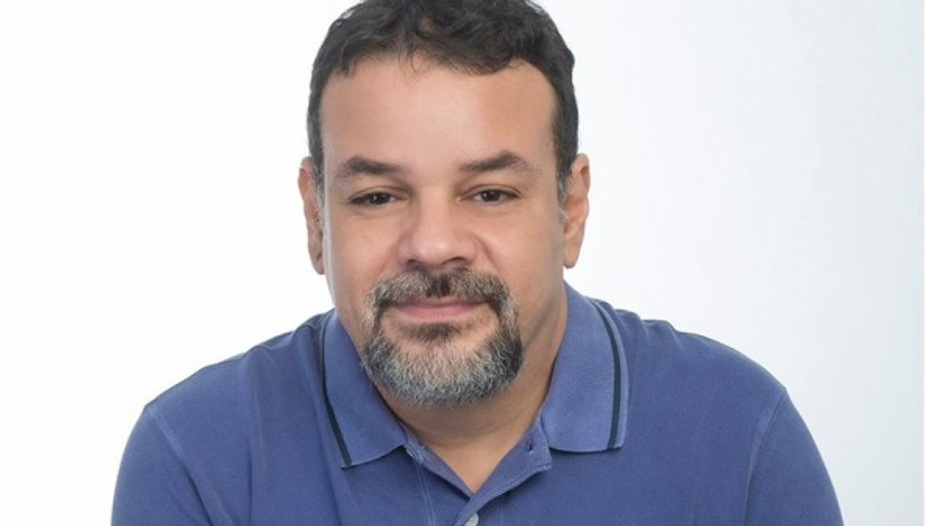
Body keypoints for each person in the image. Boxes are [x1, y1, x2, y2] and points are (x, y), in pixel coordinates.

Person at [112, 0, 843, 524]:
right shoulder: (198, 457)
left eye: (490, 192)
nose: (433, 244)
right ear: (315, 217)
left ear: (569, 208)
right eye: (377, 197)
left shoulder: (740, 433)